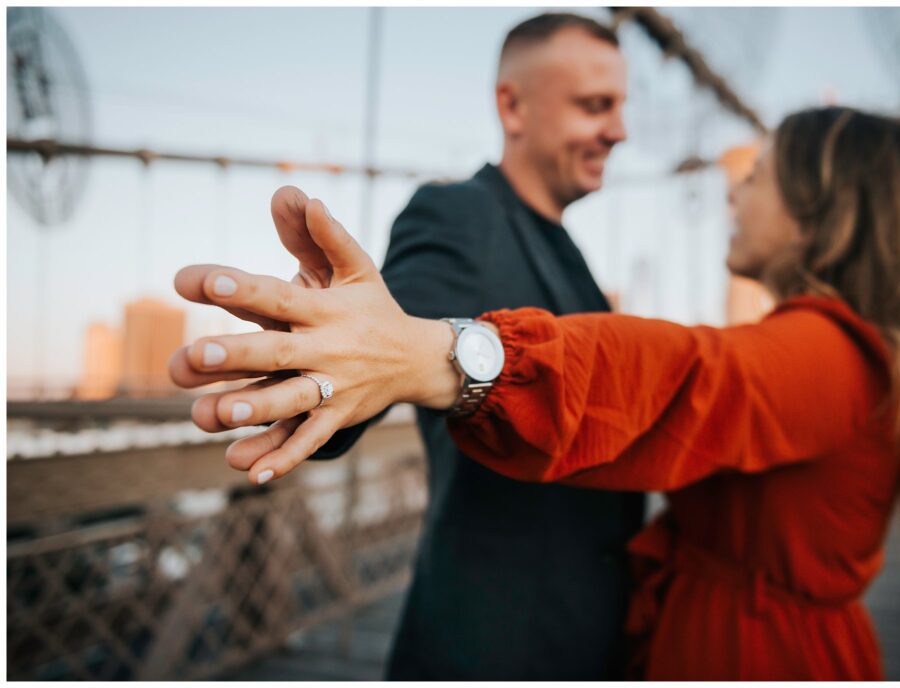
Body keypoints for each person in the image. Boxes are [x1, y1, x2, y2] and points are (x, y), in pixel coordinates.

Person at [170, 106, 900, 679]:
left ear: (822, 213)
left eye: (759, 177)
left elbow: (690, 378)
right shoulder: (847, 346)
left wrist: (447, 355)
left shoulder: (833, 350)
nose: (734, 193)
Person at [171, 12, 644, 680]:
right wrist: (319, 370)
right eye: (596, 106)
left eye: (621, 107)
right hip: (496, 646)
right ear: (512, 105)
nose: (620, 130)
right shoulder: (461, 215)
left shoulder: (566, 247)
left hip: (587, 636)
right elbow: (379, 351)